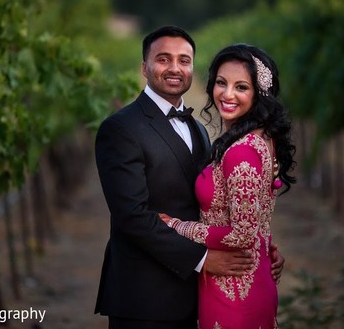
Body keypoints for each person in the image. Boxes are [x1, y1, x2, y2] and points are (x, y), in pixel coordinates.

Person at [94, 26, 285, 329]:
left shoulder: (199, 129)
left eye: (184, 60)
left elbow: (218, 204)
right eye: (163, 59)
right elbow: (131, 216)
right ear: (145, 67)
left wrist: (259, 246)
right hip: (145, 296)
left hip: (196, 293)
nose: (174, 68)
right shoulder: (120, 129)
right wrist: (202, 259)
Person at [160, 43, 296, 329]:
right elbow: (255, 220)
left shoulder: (241, 151)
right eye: (221, 83)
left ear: (260, 94)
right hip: (246, 277)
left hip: (234, 288)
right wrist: (267, 246)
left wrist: (177, 226)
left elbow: (243, 234)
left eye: (241, 87)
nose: (228, 94)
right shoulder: (261, 140)